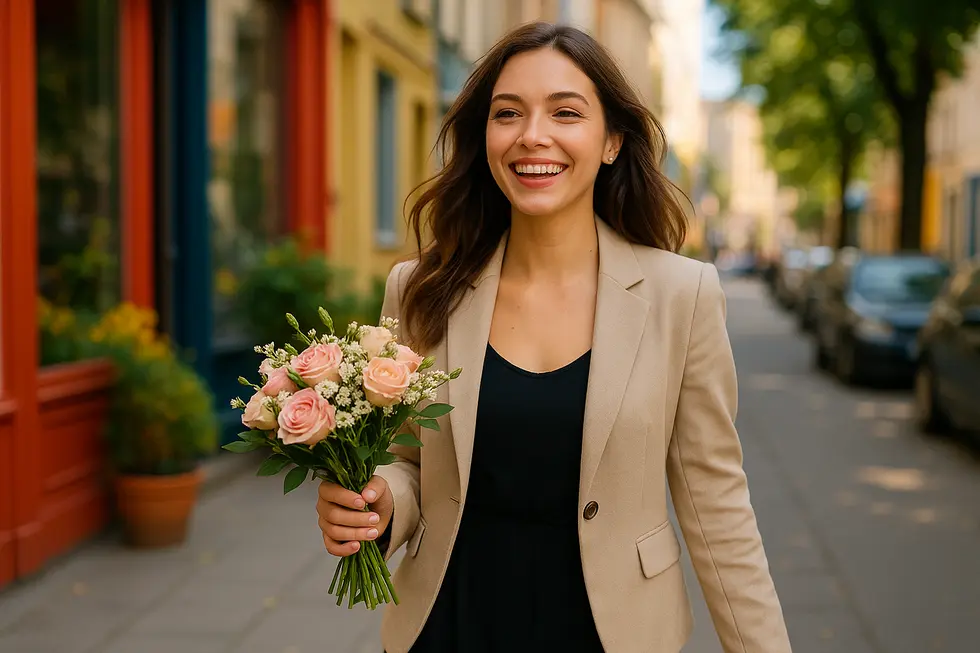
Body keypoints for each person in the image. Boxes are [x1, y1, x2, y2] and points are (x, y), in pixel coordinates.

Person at [315, 21, 792, 653]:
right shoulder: (422, 288)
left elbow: (717, 502)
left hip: (613, 634)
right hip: (448, 626)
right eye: (507, 113)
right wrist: (379, 505)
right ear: (485, 136)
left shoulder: (682, 295)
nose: (531, 135)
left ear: (612, 141)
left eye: (566, 112)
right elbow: (407, 460)